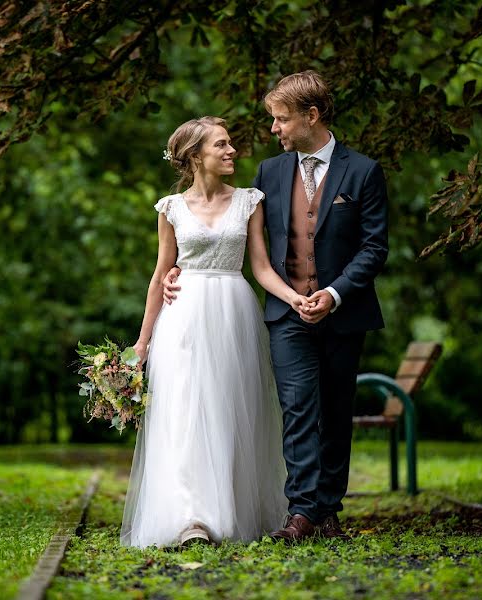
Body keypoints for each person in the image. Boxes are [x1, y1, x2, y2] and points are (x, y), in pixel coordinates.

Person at [164, 71, 389, 543]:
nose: (273, 130)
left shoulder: (363, 171)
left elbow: (374, 248)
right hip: (286, 314)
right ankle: (302, 510)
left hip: (344, 312)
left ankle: (328, 508)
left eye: (281, 120)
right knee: (297, 407)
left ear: (312, 116)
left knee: (334, 408)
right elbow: (239, 241)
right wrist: (179, 270)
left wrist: (334, 294)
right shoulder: (270, 174)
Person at [120, 116, 309, 548]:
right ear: (194, 156)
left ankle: (227, 508)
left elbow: (260, 266)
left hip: (232, 312)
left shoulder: (249, 201)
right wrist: (142, 342)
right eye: (221, 146)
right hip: (182, 317)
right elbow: (159, 275)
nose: (232, 152)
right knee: (185, 411)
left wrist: (294, 298)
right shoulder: (170, 209)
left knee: (227, 411)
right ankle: (191, 520)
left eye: (231, 145)